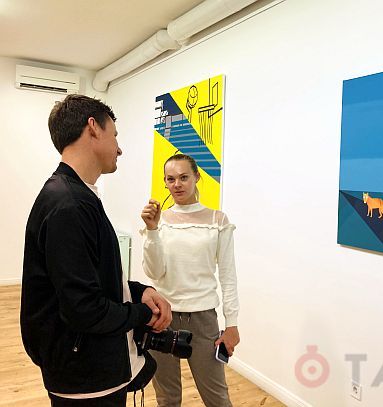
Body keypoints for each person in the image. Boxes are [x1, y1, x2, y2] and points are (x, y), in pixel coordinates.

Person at [20, 94, 172, 406]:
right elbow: (84, 309)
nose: (119, 148)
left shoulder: (75, 196)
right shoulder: (69, 204)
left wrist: (138, 291)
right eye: (114, 135)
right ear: (93, 128)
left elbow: (87, 278)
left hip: (87, 369)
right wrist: (144, 314)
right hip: (85, 379)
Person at [141, 153, 240, 407]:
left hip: (203, 319)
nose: (177, 184)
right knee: (167, 398)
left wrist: (232, 324)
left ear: (197, 177)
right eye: (171, 179)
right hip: (162, 317)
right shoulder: (159, 221)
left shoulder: (218, 220)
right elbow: (154, 272)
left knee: (217, 399)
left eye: (184, 177)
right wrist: (152, 230)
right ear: (165, 182)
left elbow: (228, 275)